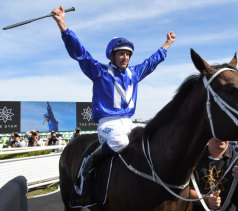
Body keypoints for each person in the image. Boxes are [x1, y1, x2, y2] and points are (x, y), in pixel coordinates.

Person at [52, 5, 176, 189]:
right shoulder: (99, 71)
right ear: (112, 55)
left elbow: (151, 63)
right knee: (120, 141)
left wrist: (167, 44)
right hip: (108, 124)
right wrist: (63, 24)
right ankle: (89, 163)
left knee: (158, 133)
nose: (125, 57)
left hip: (128, 121)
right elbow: (80, 53)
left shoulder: (134, 73)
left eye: (127, 54)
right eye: (121, 54)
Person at [190, 138, 238, 211]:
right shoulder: (195, 159)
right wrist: (206, 200)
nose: (222, 137)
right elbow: (186, 191)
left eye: (226, 135)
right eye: (218, 134)